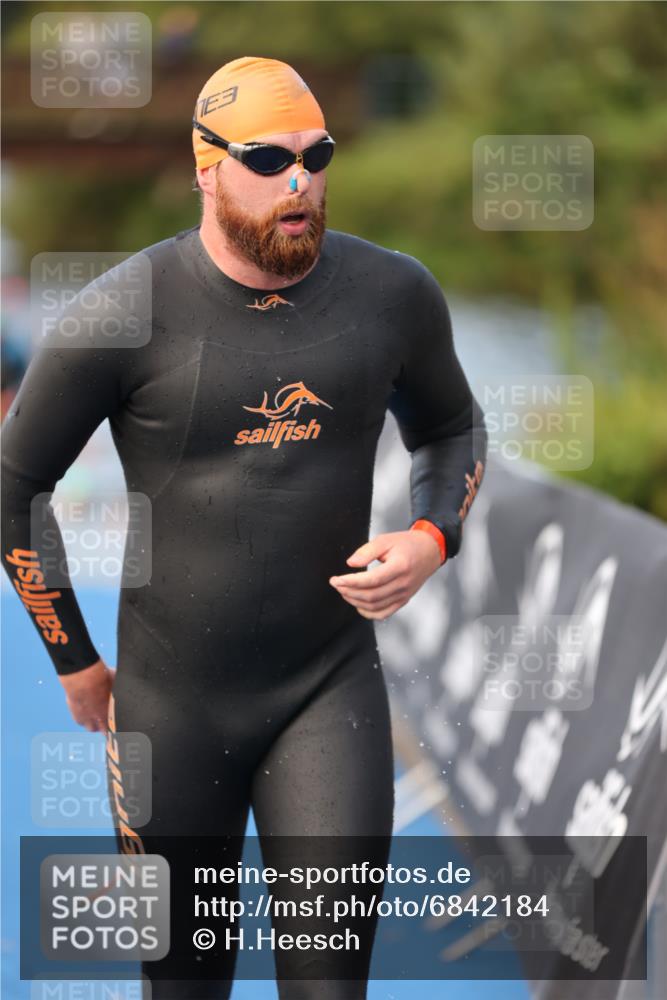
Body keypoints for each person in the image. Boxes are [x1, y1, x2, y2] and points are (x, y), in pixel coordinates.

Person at [1, 56, 487, 999]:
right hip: (168, 712)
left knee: (328, 988)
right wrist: (73, 658)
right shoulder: (120, 314)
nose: (298, 182)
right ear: (205, 167)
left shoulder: (392, 295)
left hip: (328, 692)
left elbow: (452, 426)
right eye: (267, 159)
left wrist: (431, 536)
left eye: (316, 155)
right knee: (182, 986)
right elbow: (15, 481)